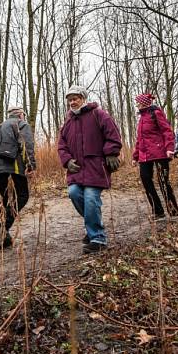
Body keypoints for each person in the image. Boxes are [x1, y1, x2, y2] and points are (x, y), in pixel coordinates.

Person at [58, 85, 122, 254]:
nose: (72, 102)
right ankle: (92, 226)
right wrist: (67, 161)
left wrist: (111, 153)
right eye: (70, 99)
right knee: (73, 193)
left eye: (75, 98)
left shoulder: (98, 114)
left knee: (91, 198)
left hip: (95, 167)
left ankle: (98, 238)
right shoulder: (68, 122)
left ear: (83, 98)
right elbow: (61, 146)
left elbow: (113, 134)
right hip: (76, 170)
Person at [0, 106, 36, 250]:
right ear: (21, 115)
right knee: (22, 195)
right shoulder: (21, 124)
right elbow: (27, 144)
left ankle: (0, 241)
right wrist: (31, 165)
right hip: (12, 167)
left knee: (0, 201)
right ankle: (2, 224)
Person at [130, 93, 178, 219]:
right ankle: (158, 211)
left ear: (144, 103)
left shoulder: (156, 113)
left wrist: (169, 148)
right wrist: (135, 156)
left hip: (160, 153)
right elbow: (139, 140)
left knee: (163, 181)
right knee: (146, 179)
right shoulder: (141, 118)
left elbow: (167, 130)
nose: (137, 105)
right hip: (144, 155)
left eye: (138, 103)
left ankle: (173, 211)